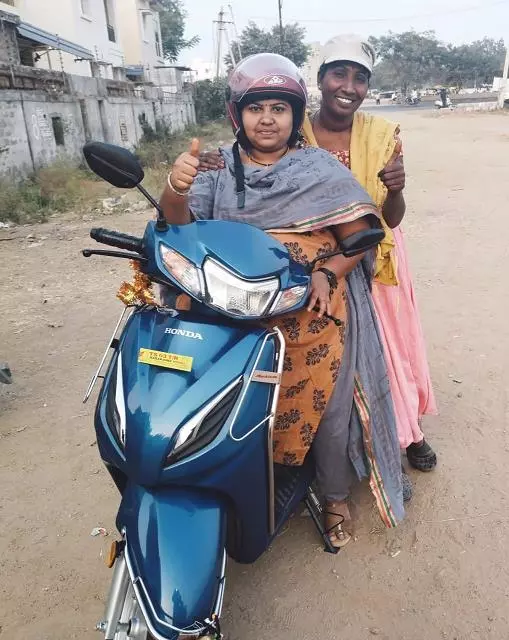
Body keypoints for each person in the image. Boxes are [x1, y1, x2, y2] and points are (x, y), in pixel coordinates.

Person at [160, 53, 405, 547]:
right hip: (230, 309)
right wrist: (175, 186)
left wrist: (329, 272)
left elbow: (362, 234)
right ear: (238, 114)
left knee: (329, 408)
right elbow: (176, 231)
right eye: (256, 108)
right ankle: (227, 479)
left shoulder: (317, 167)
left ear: (295, 115)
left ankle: (334, 496)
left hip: (307, 316)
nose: (267, 119)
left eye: (279, 108)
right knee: (216, 394)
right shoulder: (215, 167)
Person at [300, 34, 438, 472]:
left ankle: (408, 431)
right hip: (319, 259)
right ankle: (335, 445)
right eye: (339, 73)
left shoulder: (383, 136)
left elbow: (392, 218)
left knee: (392, 345)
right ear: (320, 80)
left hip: (377, 255)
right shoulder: (295, 133)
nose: (349, 86)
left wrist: (397, 189)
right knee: (332, 353)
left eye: (360, 78)